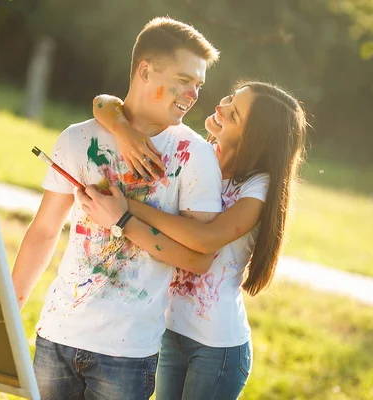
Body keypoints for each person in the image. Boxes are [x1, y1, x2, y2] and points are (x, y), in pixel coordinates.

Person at [11, 17, 223, 399]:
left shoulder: (196, 155)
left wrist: (123, 219)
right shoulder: (77, 138)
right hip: (55, 337)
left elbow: (199, 258)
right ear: (145, 70)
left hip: (126, 353)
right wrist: (8, 314)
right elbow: (43, 232)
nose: (194, 93)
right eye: (184, 79)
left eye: (199, 85)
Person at [78, 80, 307, 399]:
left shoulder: (258, 187)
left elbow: (206, 239)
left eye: (235, 113)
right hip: (169, 332)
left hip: (217, 350)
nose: (221, 106)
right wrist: (123, 130)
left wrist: (128, 210)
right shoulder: (194, 155)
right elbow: (102, 102)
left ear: (254, 137)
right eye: (229, 97)